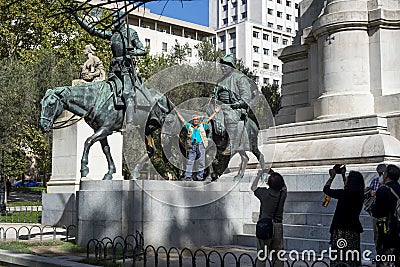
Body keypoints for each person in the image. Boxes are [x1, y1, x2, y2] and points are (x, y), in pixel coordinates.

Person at [72, 10, 147, 123]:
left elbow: (143, 50)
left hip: (126, 70)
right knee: (104, 92)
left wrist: (133, 52)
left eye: (115, 19)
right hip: (114, 70)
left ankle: (130, 123)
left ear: (121, 20)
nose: (112, 21)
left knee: (127, 93)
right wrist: (78, 18)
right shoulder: (112, 34)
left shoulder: (130, 33)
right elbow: (93, 31)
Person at [323, 166, 365, 267]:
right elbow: (349, 188)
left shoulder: (344, 194)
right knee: (351, 258)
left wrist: (332, 177)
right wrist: (343, 176)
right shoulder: (360, 194)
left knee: (339, 257)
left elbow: (326, 189)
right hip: (354, 231)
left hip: (341, 231)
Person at [212, 54, 252, 156]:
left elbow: (246, 97)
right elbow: (214, 96)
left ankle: (232, 142)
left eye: (225, 67)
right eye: (222, 67)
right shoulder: (219, 81)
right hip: (220, 107)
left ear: (231, 66)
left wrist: (237, 103)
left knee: (229, 116)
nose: (223, 69)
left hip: (235, 108)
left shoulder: (240, 78)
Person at [251, 170, 287, 267]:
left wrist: (259, 175)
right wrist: (273, 173)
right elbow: (284, 186)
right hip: (278, 226)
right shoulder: (283, 194)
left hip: (265, 226)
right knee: (278, 255)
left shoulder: (264, 193)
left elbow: (253, 187)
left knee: (262, 255)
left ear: (269, 183)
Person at [176, 106, 221, 181]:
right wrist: (177, 113)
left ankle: (200, 177)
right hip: (192, 146)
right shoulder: (189, 126)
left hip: (200, 146)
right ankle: (188, 176)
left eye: (197, 119)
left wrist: (215, 112)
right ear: (193, 120)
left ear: (199, 120)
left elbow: (209, 119)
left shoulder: (202, 126)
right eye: (194, 119)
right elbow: (183, 120)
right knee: (190, 161)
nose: (196, 121)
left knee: (201, 162)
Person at [371, 164, 400, 267]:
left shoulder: (383, 190)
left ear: (386, 174)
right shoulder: (398, 188)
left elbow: (377, 211)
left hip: (385, 227)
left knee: (383, 254)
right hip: (397, 226)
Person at [365, 164, 386, 248]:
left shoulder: (390, 184)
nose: (381, 175)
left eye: (383, 173)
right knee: (377, 235)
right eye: (380, 173)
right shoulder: (375, 181)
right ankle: (379, 254)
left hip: (386, 212)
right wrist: (371, 193)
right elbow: (368, 193)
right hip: (376, 212)